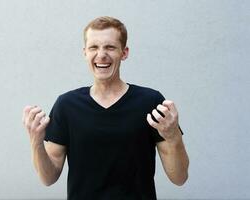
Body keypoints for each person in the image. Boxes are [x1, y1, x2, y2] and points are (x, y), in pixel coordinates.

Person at [22, 16, 189, 200]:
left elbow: (179, 177)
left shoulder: (150, 101)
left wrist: (174, 137)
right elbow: (48, 178)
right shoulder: (67, 105)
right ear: (85, 52)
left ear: (124, 53)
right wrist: (36, 142)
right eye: (94, 47)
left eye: (110, 47)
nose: (101, 54)